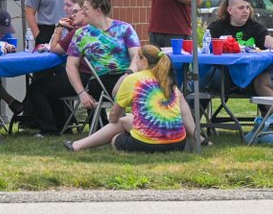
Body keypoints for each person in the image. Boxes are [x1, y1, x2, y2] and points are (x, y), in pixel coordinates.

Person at [22, 0, 140, 136]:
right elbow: (71, 66)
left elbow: (136, 56)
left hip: (128, 75)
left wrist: (128, 74)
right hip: (101, 80)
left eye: (86, 9)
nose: (82, 13)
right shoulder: (81, 34)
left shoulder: (125, 28)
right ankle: (126, 126)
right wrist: (82, 93)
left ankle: (153, 126)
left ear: (98, 10)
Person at [66, 45, 196, 153]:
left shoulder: (133, 79)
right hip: (178, 143)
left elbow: (113, 117)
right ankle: (77, 145)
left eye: (136, 59)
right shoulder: (168, 80)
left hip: (147, 144)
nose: (135, 63)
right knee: (127, 120)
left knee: (115, 138)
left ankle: (78, 145)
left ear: (144, 60)